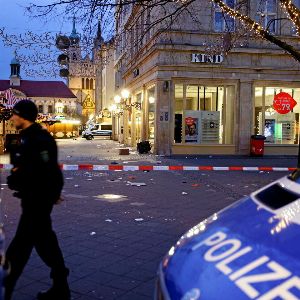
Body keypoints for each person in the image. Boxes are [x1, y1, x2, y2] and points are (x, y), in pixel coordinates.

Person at [4, 100, 70, 300]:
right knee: (45, 243)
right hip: (33, 199)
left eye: (15, 114)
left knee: (20, 248)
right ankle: (61, 288)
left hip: (37, 200)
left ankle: (6, 286)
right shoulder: (26, 138)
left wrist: (18, 179)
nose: (12, 118)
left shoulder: (40, 139)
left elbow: (47, 169)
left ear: (23, 116)